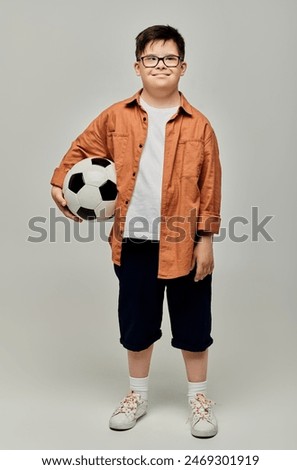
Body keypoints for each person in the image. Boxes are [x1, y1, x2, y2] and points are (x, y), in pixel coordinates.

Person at [51, 25, 222, 438]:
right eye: (151, 59)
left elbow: (211, 188)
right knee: (136, 325)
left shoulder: (200, 126)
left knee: (194, 327)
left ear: (183, 67)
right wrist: (61, 189)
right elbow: (76, 154)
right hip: (134, 244)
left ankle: (199, 399)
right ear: (137, 66)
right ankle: (137, 396)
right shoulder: (115, 117)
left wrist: (205, 242)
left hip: (183, 244)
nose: (159, 66)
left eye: (168, 59)